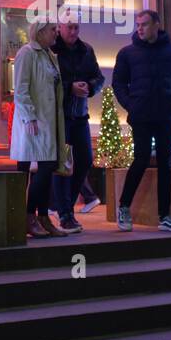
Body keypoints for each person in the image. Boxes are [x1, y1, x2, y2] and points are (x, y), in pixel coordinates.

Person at [112, 10, 171, 233]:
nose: (139, 28)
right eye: (138, 24)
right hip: (141, 115)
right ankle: (124, 207)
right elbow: (118, 83)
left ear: (157, 25)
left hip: (166, 114)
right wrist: (131, 104)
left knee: (166, 163)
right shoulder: (127, 53)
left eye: (144, 24)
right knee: (141, 159)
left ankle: (165, 216)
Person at [10, 20, 68, 238]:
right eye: (53, 29)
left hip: (50, 121)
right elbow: (21, 89)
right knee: (42, 169)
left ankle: (43, 217)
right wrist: (30, 117)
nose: (57, 33)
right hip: (34, 123)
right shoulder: (27, 53)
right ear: (41, 31)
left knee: (49, 167)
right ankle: (28, 216)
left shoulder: (49, 55)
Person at [50, 18, 105, 234]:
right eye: (69, 27)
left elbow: (98, 78)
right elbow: (47, 82)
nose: (73, 32)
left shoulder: (86, 50)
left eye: (76, 28)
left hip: (80, 116)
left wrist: (90, 87)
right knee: (63, 166)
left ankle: (66, 208)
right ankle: (65, 214)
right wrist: (69, 88)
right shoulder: (52, 50)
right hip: (60, 116)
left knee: (85, 161)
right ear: (60, 28)